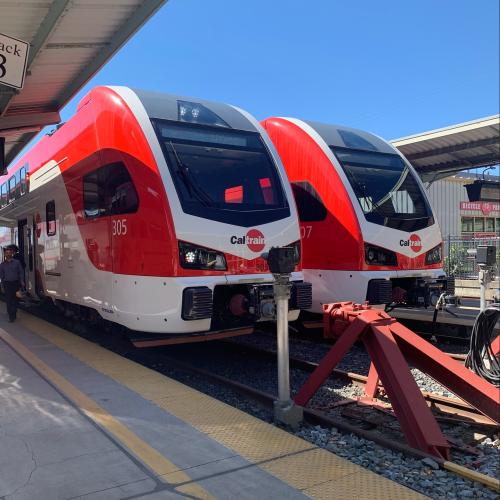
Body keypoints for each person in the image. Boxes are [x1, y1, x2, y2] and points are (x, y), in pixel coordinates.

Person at [0, 246, 25, 322]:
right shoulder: (2, 265)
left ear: (11, 253)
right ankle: (11, 316)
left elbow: (20, 272)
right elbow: (1, 276)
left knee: (15, 300)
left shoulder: (17, 263)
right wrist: (2, 286)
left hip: (15, 283)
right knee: (8, 301)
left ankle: (13, 313)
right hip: (7, 284)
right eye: (6, 253)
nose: (8, 254)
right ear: (4, 254)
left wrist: (22, 281)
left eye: (9, 253)